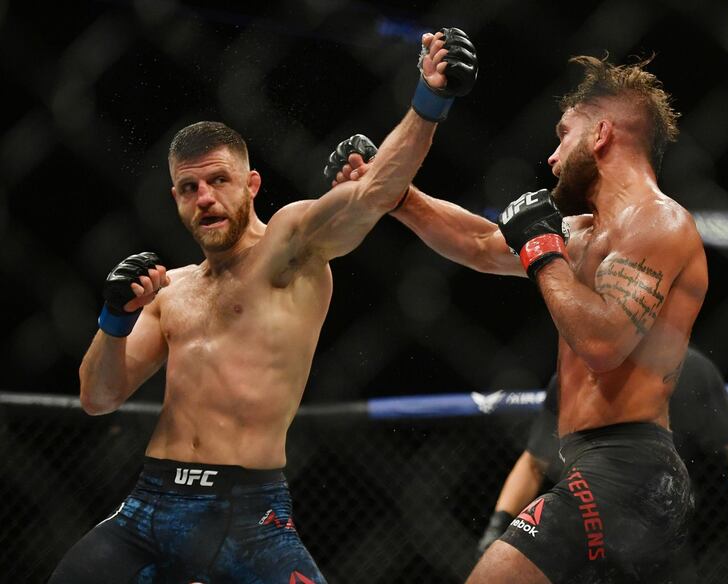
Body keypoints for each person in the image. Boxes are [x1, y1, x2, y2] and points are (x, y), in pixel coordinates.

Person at [48, 27, 477, 584]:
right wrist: (112, 323)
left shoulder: (290, 247)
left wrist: (429, 101)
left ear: (251, 184)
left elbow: (374, 192)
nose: (205, 197)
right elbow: (98, 397)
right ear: (175, 200)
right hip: (149, 506)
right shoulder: (169, 290)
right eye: (188, 188)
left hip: (245, 513)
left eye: (219, 180)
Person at [328, 54, 708, 582]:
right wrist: (393, 193)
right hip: (596, 464)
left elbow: (603, 343)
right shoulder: (581, 233)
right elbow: (480, 244)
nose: (551, 157)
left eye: (563, 136)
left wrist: (543, 253)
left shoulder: (659, 221)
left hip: (628, 467)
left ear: (601, 134)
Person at [476, 347, 728, 582]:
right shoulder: (573, 376)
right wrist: (497, 523)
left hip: (666, 529)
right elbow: (533, 462)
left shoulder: (689, 369)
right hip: (591, 521)